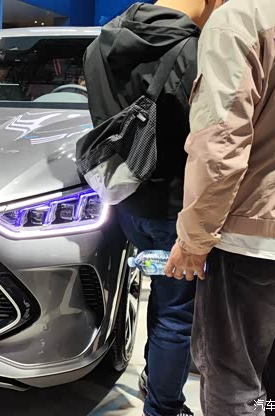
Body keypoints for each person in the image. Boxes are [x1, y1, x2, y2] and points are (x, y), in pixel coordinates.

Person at [83, 1, 225, 416]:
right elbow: (209, 140)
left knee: (159, 297)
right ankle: (164, 406)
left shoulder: (99, 45)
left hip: (124, 196)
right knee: (176, 313)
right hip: (174, 206)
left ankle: (155, 376)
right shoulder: (196, 50)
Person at [165, 1, 275, 414]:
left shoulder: (242, 19)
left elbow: (220, 148)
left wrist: (193, 241)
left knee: (234, 384)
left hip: (255, 241)